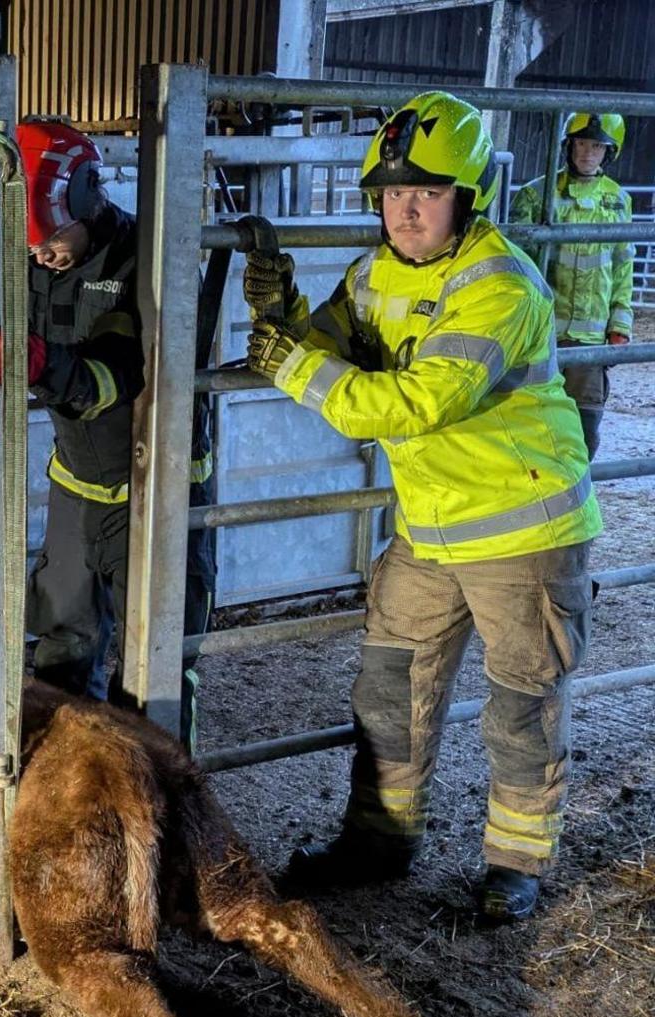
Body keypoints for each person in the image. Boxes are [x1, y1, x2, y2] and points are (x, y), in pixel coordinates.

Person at [244, 92, 602, 921]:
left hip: (524, 530)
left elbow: (408, 405)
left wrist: (290, 364)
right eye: (392, 192)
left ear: (467, 196)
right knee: (387, 690)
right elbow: (331, 345)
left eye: (428, 192)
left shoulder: (500, 288)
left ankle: (516, 864)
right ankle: (381, 841)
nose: (404, 209)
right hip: (429, 528)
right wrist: (282, 312)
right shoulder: (375, 271)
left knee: (521, 704)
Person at [0, 119, 216, 749]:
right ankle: (66, 794)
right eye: (32, 244)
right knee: (61, 648)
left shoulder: (149, 260)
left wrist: (31, 362)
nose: (43, 254)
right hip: (75, 487)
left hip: (158, 489)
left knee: (156, 669)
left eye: (54, 238)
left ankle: (168, 808)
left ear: (88, 196)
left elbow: (118, 374)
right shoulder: (27, 259)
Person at [509, 113, 633, 460]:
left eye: (597, 145)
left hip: (591, 340)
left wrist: (620, 324)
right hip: (542, 333)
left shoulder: (618, 200)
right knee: (532, 423)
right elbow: (518, 265)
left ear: (609, 152)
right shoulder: (537, 194)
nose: (587, 153)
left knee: (584, 432)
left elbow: (623, 266)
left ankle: (573, 499)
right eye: (581, 143)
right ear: (569, 146)